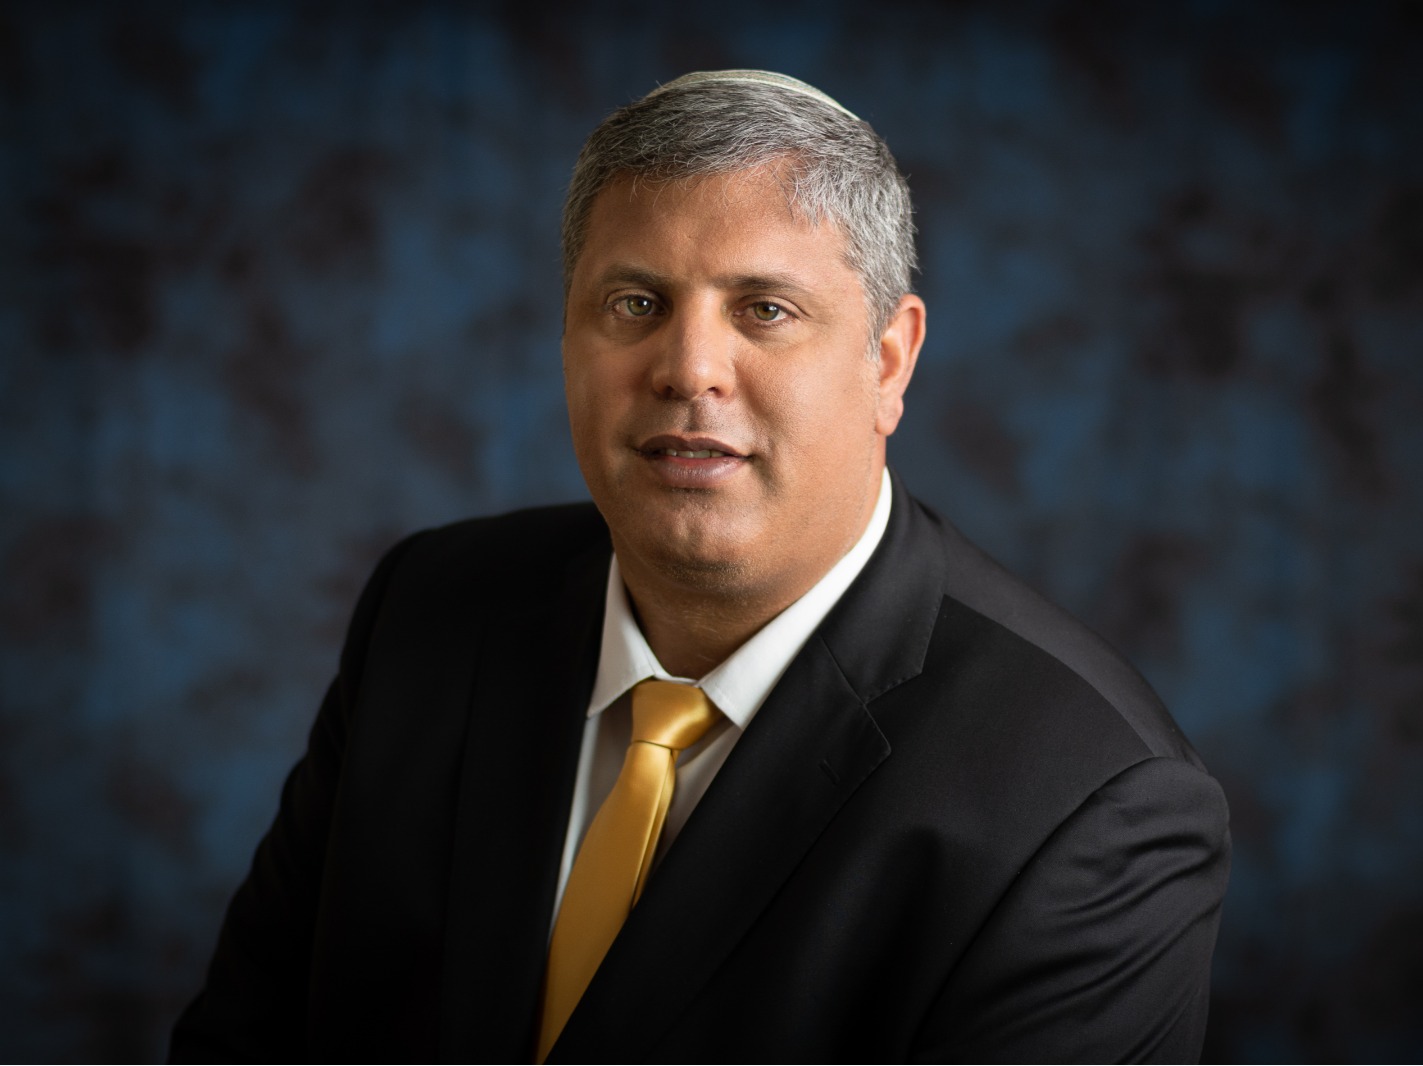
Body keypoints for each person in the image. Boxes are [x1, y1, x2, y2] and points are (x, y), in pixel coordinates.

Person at [171, 70, 1230, 1063]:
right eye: (635, 303)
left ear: (887, 360)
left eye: (765, 309)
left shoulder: (1090, 804)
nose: (688, 370)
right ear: (567, 337)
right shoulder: (431, 610)